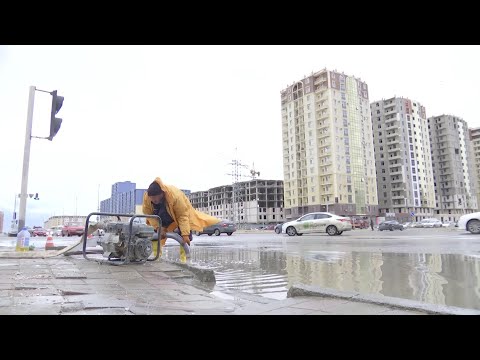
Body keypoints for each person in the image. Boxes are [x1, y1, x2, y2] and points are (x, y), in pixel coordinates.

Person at [142, 177, 220, 250]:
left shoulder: (175, 196)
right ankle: (156, 257)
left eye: (155, 198)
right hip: (161, 216)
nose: (153, 200)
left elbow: (182, 216)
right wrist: (158, 228)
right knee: (156, 236)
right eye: (151, 198)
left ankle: (185, 258)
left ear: (161, 193)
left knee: (184, 237)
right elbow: (149, 215)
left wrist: (185, 234)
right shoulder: (147, 198)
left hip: (179, 214)